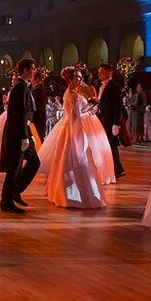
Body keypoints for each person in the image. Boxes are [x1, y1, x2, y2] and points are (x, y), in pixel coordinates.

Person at [43, 67, 105, 209]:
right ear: (70, 79)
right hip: (73, 130)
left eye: (80, 76)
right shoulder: (72, 96)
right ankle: (72, 195)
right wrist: (92, 109)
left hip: (69, 129)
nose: (80, 79)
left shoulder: (72, 93)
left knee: (66, 160)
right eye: (77, 77)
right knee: (76, 160)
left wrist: (88, 106)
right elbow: (76, 117)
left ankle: (63, 192)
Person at [0, 58, 40, 213]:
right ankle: (7, 200)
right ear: (25, 70)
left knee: (32, 162)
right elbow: (19, 114)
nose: (34, 71)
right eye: (33, 68)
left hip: (24, 131)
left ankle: (15, 191)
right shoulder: (20, 87)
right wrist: (24, 136)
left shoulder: (24, 87)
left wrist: (29, 134)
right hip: (18, 133)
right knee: (14, 167)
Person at [97, 64, 125, 178]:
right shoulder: (102, 85)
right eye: (99, 72)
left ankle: (118, 169)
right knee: (107, 144)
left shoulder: (113, 86)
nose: (99, 74)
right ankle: (114, 168)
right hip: (103, 119)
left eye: (101, 72)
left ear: (109, 72)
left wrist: (116, 124)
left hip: (109, 121)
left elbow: (118, 106)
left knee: (111, 144)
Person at [31, 72, 48, 142]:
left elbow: (34, 104)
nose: (31, 80)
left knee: (37, 135)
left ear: (37, 79)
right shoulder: (42, 88)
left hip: (37, 116)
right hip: (41, 114)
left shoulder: (37, 89)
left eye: (32, 78)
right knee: (40, 135)